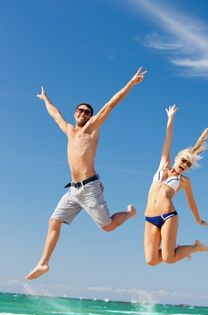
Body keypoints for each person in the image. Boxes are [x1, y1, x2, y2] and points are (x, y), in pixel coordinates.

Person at [25, 67, 146, 280]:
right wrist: (45, 98)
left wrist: (131, 83)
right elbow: (55, 114)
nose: (83, 114)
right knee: (53, 221)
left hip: (90, 187)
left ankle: (130, 213)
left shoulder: (92, 128)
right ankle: (44, 263)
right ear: (75, 113)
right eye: (80, 111)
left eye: (87, 112)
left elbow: (111, 104)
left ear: (90, 116)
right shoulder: (70, 131)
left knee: (107, 227)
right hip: (72, 190)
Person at [144, 104, 208, 266]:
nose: (185, 165)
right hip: (150, 217)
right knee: (151, 260)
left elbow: (191, 201)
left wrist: (198, 219)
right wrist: (170, 118)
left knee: (168, 258)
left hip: (168, 216)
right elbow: (167, 140)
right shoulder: (163, 165)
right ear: (178, 158)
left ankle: (194, 247)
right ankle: (176, 249)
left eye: (188, 165)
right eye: (184, 160)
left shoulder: (184, 181)